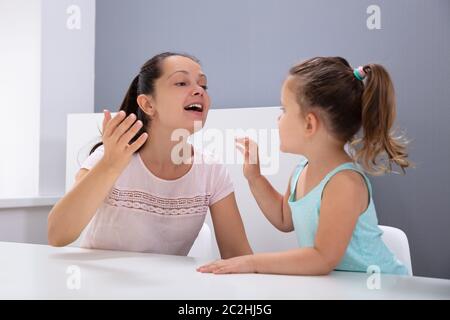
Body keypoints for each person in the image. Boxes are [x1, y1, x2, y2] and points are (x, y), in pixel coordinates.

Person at [198, 57, 410, 275]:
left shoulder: (344, 183)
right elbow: (283, 218)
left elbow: (322, 258)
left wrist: (251, 262)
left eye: (284, 110)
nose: (278, 119)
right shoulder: (302, 169)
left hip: (382, 289)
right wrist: (255, 177)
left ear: (309, 123)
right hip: (342, 288)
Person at [48, 52, 252, 258]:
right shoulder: (110, 157)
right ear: (147, 105)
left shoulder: (211, 170)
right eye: (181, 83)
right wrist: (109, 166)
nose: (199, 91)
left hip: (167, 289)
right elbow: (57, 235)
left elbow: (238, 255)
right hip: (100, 286)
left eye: (203, 85)